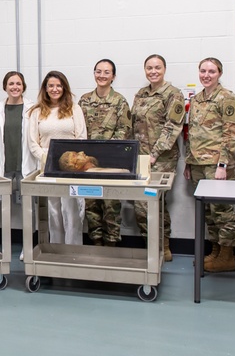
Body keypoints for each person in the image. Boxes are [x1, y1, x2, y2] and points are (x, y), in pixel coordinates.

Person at [183, 57, 235, 273]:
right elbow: (193, 133)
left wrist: (223, 165)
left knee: (223, 211)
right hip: (198, 164)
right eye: (203, 71)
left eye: (211, 71)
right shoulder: (197, 99)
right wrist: (189, 162)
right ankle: (216, 251)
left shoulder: (227, 98)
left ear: (220, 74)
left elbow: (231, 133)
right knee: (208, 212)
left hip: (217, 165)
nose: (206, 75)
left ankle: (227, 256)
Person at [131, 54, 185, 261]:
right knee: (140, 204)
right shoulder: (141, 94)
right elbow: (134, 124)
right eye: (149, 68)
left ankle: (163, 246)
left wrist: (154, 154)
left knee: (155, 202)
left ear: (164, 69)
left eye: (157, 67)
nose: (153, 71)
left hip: (161, 159)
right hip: (141, 158)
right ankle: (150, 246)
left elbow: (173, 127)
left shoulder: (173, 94)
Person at [27, 71, 86, 245]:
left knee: (71, 209)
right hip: (48, 167)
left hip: (71, 167)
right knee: (53, 210)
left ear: (64, 88)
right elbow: (33, 143)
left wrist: (68, 161)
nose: (55, 89)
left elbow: (81, 137)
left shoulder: (74, 109)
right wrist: (49, 160)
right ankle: (57, 250)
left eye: (58, 85)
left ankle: (73, 252)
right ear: (45, 89)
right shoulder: (37, 112)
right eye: (51, 85)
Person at [79, 58, 131, 247]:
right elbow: (78, 129)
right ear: (94, 74)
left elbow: (124, 131)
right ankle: (96, 242)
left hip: (111, 162)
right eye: (98, 71)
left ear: (113, 77)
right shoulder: (84, 100)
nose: (102, 75)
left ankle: (111, 245)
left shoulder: (120, 102)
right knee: (91, 203)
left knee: (111, 204)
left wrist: (106, 152)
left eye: (106, 72)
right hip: (88, 163)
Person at [0, 71, 37, 245]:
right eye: (11, 84)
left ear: (23, 87)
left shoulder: (32, 109)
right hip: (1, 167)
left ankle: (28, 246)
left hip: (26, 167)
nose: (15, 87)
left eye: (18, 84)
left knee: (29, 208)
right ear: (5, 87)